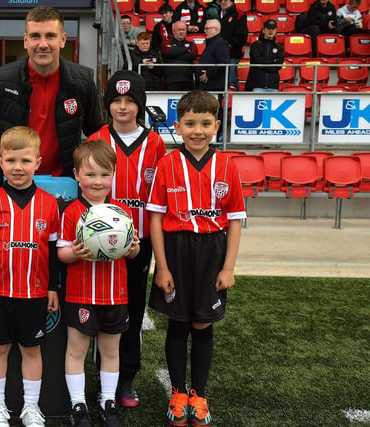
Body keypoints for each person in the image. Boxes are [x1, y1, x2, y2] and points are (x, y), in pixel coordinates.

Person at [146, 90, 246, 427]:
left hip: (211, 251)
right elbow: (156, 218)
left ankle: (198, 394)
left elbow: (234, 221)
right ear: (178, 125)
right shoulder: (167, 164)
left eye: (205, 123)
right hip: (175, 250)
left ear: (217, 125)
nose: (198, 130)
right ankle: (177, 392)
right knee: (177, 322)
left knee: (202, 323)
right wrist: (162, 265)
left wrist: (229, 266)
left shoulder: (227, 166)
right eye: (190, 123)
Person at [87, 70, 166, 409]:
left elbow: (160, 194)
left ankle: (127, 376)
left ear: (140, 105)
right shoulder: (97, 137)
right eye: (116, 101)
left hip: (139, 243)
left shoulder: (156, 143)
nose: (122, 107)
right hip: (98, 240)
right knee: (96, 307)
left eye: (129, 101)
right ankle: (98, 372)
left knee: (131, 308)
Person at [0, 126, 60, 427]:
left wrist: (52, 287)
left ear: (38, 161)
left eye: (25, 161)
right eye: (10, 161)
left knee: (31, 349)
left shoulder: (49, 204)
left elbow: (52, 250)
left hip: (34, 293)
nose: (17, 167)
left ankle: (31, 407)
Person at [0, 5, 104, 186]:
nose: (43, 44)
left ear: (62, 40)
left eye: (50, 36)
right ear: (25, 40)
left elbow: (96, 132)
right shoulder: (0, 80)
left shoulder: (83, 81)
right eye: (35, 36)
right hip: (12, 183)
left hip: (64, 184)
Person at [57, 140, 140, 427]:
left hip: (115, 295)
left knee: (110, 350)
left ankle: (107, 401)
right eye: (90, 175)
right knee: (76, 350)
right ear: (77, 175)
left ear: (113, 175)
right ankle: (78, 404)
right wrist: (74, 253)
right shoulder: (70, 212)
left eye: (104, 174)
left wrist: (132, 249)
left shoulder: (121, 213)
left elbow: (134, 251)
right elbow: (61, 253)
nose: (97, 181)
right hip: (80, 295)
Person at [245, 19, 284, 92]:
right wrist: (272, 62)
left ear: (276, 30)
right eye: (268, 28)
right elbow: (257, 61)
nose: (271, 31)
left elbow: (278, 66)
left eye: (273, 29)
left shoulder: (279, 48)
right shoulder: (255, 45)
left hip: (273, 85)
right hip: (257, 85)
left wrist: (263, 65)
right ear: (264, 30)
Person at [218, 0, 247, 91]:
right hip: (217, 55)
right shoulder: (216, 13)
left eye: (225, 0)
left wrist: (228, 45)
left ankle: (233, 104)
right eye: (220, 0)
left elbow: (242, 37)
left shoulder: (239, 14)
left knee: (231, 82)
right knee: (218, 83)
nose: (223, 2)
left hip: (232, 55)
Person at [161, 20, 198, 92]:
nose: (181, 32)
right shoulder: (166, 42)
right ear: (174, 31)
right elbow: (167, 52)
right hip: (171, 79)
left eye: (183, 30)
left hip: (187, 79)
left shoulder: (191, 44)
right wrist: (186, 50)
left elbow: (193, 55)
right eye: (179, 30)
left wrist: (174, 55)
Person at [196, 19, 229, 91]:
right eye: (205, 28)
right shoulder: (213, 43)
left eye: (207, 29)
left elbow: (224, 63)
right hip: (207, 86)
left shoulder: (220, 43)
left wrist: (209, 73)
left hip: (214, 87)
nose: (205, 31)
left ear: (216, 30)